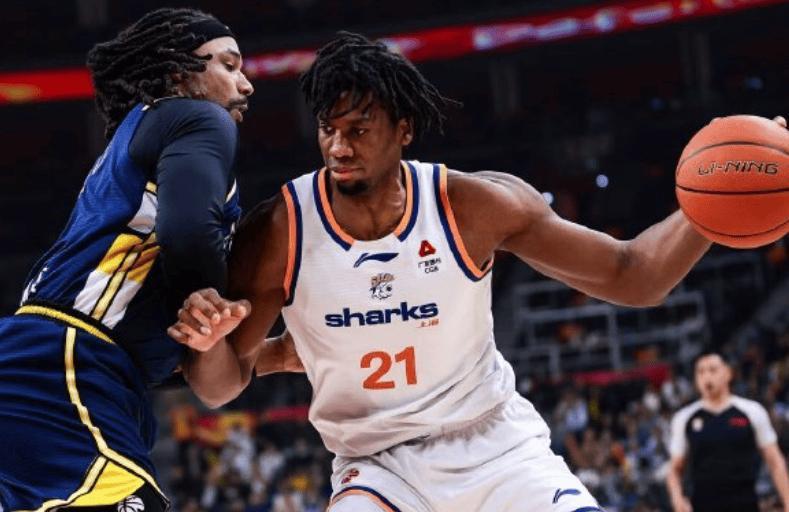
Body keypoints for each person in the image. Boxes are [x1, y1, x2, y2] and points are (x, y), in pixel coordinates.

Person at [171, 33, 787, 511]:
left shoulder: (474, 206)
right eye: (328, 130)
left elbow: (635, 275)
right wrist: (211, 344)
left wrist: (713, 210)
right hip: (377, 466)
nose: (339, 147)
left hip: (496, 447)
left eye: (358, 129)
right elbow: (221, 386)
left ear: (403, 130)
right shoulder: (280, 230)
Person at [0, 8, 253, 511]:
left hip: (57, 368)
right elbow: (188, 234)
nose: (245, 84)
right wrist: (206, 304)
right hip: (66, 367)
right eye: (228, 65)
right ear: (181, 74)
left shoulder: (138, 137)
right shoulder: (197, 117)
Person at [666, 350, 789, 512]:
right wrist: (677, 498)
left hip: (745, 504)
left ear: (728, 373)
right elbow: (674, 469)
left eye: (713, 370)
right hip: (703, 505)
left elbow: (775, 461)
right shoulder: (684, 418)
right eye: (700, 372)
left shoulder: (752, 411)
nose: (706, 377)